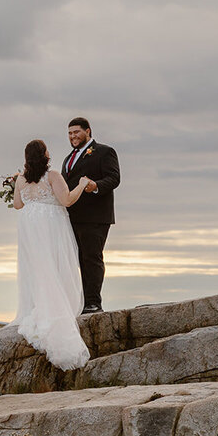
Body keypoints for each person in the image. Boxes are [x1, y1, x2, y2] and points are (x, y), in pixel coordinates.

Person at [11, 139, 91, 370]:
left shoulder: (21, 179)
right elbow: (66, 200)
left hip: (30, 227)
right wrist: (81, 184)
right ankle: (58, 311)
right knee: (56, 266)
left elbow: (17, 205)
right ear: (45, 154)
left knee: (38, 269)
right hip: (51, 225)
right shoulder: (53, 175)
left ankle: (38, 306)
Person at [61, 117, 121, 313]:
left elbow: (114, 178)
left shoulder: (104, 151)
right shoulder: (68, 158)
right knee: (77, 259)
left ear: (88, 131)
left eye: (76, 132)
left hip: (96, 216)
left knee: (91, 258)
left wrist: (96, 186)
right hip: (72, 216)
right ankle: (81, 302)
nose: (73, 136)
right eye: (70, 133)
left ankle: (93, 303)